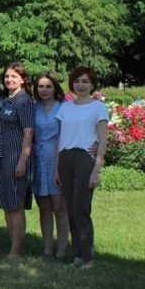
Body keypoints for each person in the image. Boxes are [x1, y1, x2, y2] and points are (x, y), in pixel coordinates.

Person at [56, 66, 108, 269]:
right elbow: (60, 138)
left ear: (92, 84)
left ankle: (87, 257)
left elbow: (103, 140)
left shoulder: (98, 108)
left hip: (85, 158)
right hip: (65, 158)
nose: (81, 85)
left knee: (81, 209)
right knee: (70, 209)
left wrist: (97, 168)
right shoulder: (65, 108)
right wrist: (55, 168)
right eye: (77, 81)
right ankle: (76, 255)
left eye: (85, 81)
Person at [0, 62, 34, 260]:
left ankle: (17, 250)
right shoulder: (4, 100)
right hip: (1, 154)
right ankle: (12, 244)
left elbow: (28, 133)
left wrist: (23, 160)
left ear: (23, 80)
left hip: (15, 155)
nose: (10, 79)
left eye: (14, 76)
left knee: (15, 204)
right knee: (7, 204)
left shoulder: (24, 102)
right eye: (7, 76)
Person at [33, 72, 69, 259]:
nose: (44, 90)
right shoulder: (34, 108)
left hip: (57, 157)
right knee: (44, 207)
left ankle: (61, 249)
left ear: (55, 88)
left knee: (59, 208)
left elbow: (65, 137)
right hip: (38, 160)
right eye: (41, 86)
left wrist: (58, 167)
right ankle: (47, 248)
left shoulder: (63, 108)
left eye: (48, 86)